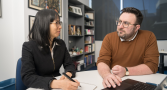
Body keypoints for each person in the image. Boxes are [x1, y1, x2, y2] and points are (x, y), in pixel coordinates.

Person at [96, 7, 159, 88]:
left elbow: (152, 66)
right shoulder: (109, 38)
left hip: (140, 81)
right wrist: (106, 75)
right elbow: (102, 61)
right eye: (119, 22)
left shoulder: (149, 36)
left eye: (126, 23)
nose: (120, 26)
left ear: (136, 28)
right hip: (116, 81)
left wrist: (126, 71)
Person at [21, 9, 80, 90]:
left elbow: (69, 64)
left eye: (59, 23)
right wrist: (58, 84)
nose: (60, 26)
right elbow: (27, 77)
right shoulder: (28, 47)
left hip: (58, 84)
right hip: (40, 87)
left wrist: (68, 74)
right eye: (57, 23)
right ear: (44, 24)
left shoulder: (61, 44)